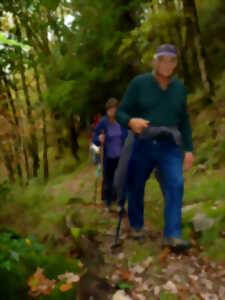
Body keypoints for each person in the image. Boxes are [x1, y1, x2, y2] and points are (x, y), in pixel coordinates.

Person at [116, 44, 194, 250]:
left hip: (170, 144)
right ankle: (137, 226)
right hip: (143, 142)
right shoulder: (139, 84)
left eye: (172, 60)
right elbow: (121, 113)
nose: (167, 64)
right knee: (136, 184)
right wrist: (131, 121)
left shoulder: (179, 89)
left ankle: (172, 235)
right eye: (162, 59)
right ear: (154, 61)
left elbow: (184, 120)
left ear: (175, 64)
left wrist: (189, 149)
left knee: (176, 184)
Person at [93, 98, 127, 211]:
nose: (113, 112)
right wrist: (99, 138)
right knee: (108, 179)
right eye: (111, 109)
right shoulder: (103, 122)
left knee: (120, 179)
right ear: (107, 111)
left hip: (120, 156)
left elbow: (126, 136)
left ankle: (120, 203)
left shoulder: (121, 122)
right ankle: (107, 202)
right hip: (108, 157)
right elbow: (95, 139)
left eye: (115, 109)